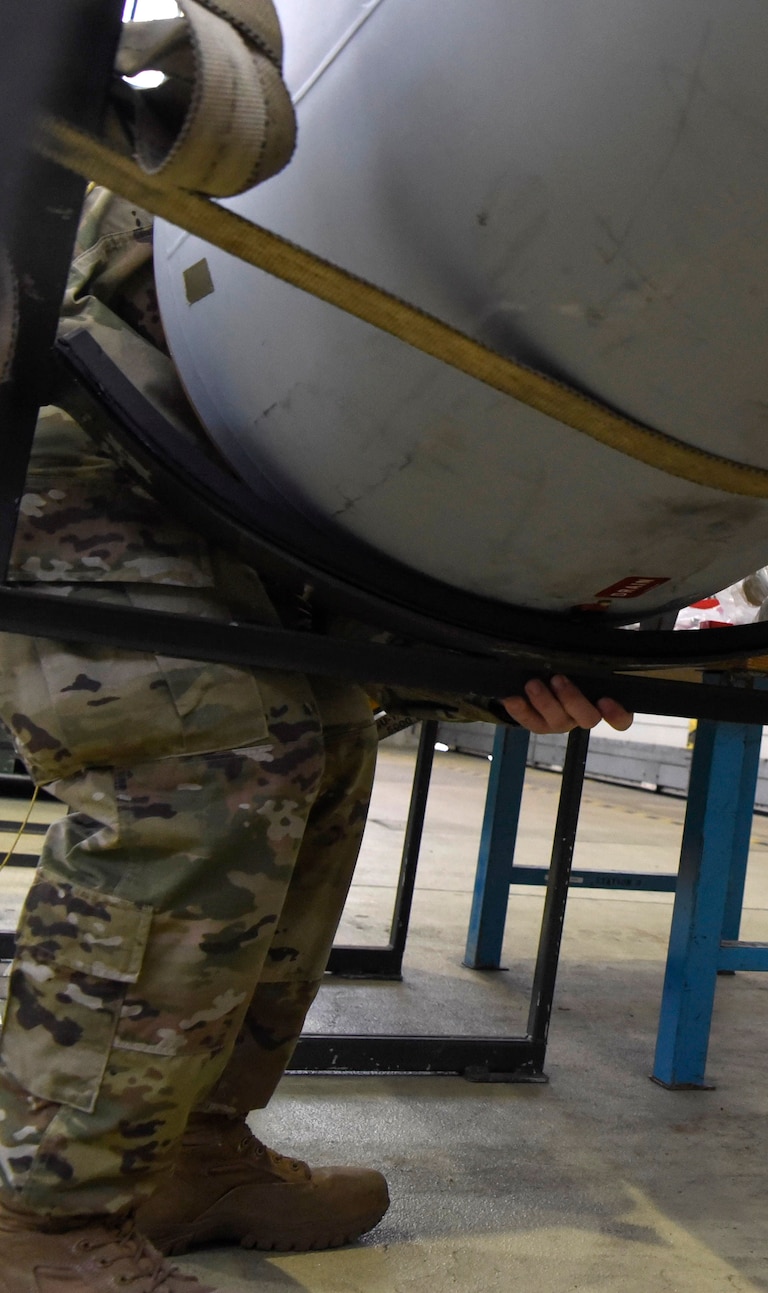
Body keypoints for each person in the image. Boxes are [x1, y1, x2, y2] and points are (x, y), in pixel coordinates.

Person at [0, 189, 630, 1292]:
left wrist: (505, 659)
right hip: (92, 393)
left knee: (324, 748)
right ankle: (43, 1217)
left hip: (273, 450)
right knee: (205, 774)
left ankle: (189, 1152)